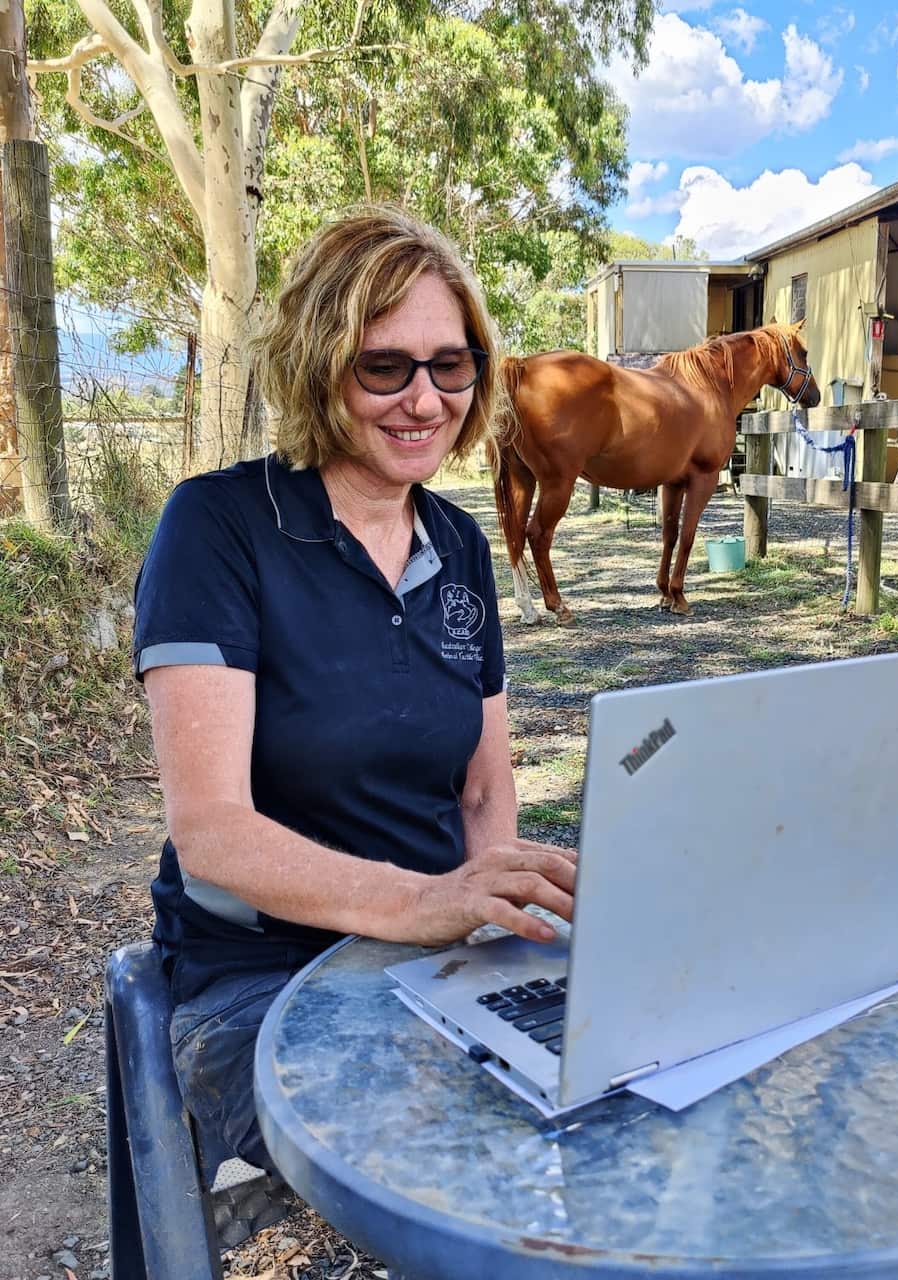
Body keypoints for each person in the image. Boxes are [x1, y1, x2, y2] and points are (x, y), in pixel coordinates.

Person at [132, 205, 576, 1172]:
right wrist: (426, 903)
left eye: (450, 364)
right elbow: (213, 831)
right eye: (386, 366)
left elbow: (482, 790)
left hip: (433, 958)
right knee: (477, 1134)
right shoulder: (219, 528)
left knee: (620, 1069)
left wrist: (484, 918)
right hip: (261, 979)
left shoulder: (458, 545)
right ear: (318, 366)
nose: (425, 400)